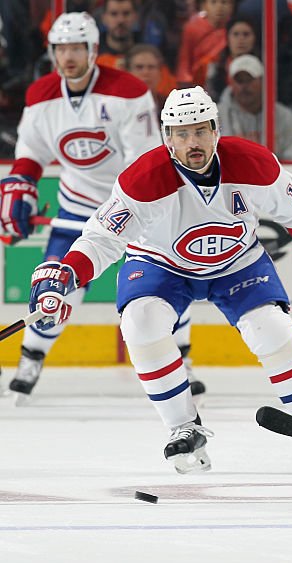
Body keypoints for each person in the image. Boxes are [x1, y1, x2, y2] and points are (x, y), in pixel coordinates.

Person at [25, 86, 292, 474]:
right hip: (160, 263)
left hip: (237, 262)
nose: (192, 142)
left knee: (272, 330)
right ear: (167, 138)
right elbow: (102, 239)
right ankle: (182, 427)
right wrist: (67, 275)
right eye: (181, 134)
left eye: (200, 131)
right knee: (141, 322)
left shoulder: (253, 164)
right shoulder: (143, 180)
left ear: (216, 130)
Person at [0, 12, 204, 406]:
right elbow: (32, 150)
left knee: (165, 283)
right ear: (52, 52)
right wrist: (21, 185)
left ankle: (183, 361)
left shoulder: (127, 91)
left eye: (78, 47)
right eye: (61, 48)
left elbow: (142, 161)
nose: (69, 56)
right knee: (56, 287)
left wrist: (118, 214)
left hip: (135, 209)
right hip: (75, 206)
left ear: (94, 50)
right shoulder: (41, 95)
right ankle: (31, 360)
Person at [218, 55, 292, 160]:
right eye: (240, 81)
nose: (244, 86)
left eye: (249, 80)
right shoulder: (216, 117)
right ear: (231, 84)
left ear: (263, 82)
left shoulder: (284, 117)